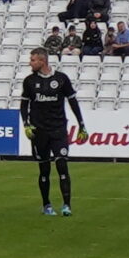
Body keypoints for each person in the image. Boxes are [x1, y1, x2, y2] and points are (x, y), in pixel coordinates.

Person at [19, 47, 84, 216]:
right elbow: (24, 104)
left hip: (58, 129)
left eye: (33, 60)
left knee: (62, 164)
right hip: (39, 131)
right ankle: (46, 205)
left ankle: (66, 205)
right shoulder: (29, 81)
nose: (30, 63)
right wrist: (26, 124)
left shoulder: (61, 79)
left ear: (42, 61)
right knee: (44, 169)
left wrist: (82, 125)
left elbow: (73, 102)